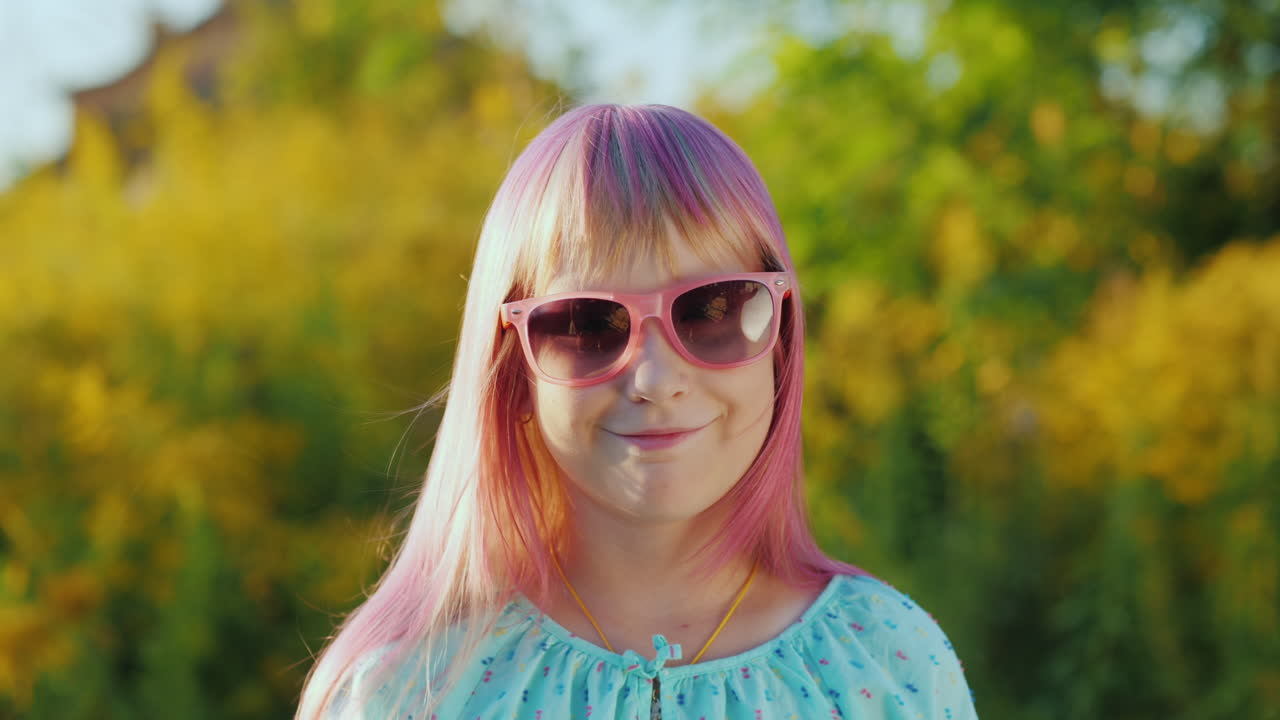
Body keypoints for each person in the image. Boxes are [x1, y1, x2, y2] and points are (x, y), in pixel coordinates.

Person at [295, 103, 979, 720]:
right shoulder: (407, 692)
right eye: (587, 325)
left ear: (781, 338)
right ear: (510, 368)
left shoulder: (890, 666)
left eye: (714, 312)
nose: (655, 379)